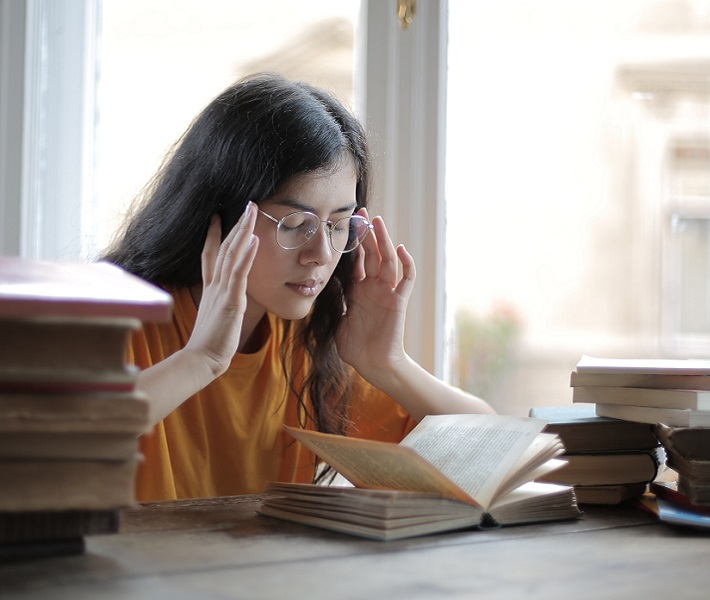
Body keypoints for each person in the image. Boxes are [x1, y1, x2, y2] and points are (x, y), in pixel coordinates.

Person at [104, 73, 495, 502]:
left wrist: (388, 364)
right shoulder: (117, 321)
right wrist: (202, 359)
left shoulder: (305, 341)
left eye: (339, 225)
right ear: (221, 216)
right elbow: (57, 442)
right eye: (294, 224)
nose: (321, 254)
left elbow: (489, 450)